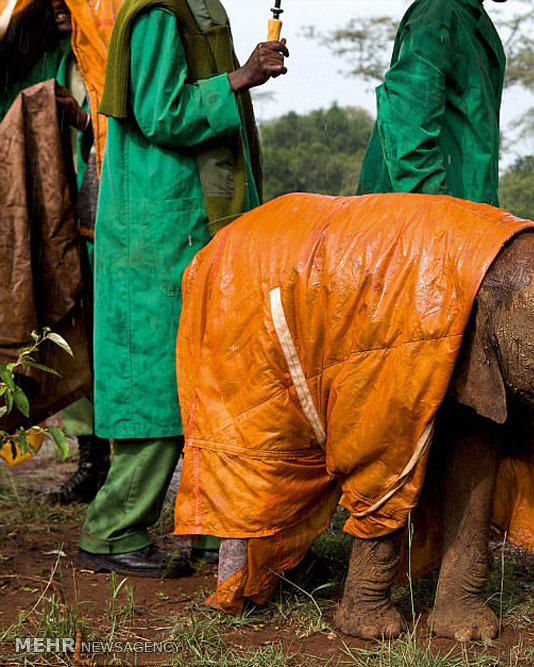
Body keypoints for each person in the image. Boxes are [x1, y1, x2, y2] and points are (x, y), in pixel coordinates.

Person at [77, 0, 287, 578]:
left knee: (210, 379)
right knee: (157, 383)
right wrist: (242, 77)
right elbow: (160, 111)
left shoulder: (197, 5)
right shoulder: (158, 11)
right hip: (158, 227)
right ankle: (113, 529)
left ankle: (210, 529)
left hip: (190, 223)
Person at [1, 0, 110, 505]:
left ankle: (117, 458)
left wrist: (80, 116)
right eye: (55, 1)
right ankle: (91, 460)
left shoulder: (107, 50)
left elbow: (121, 125)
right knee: (64, 325)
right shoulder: (39, 57)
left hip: (104, 212)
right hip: (51, 219)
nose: (65, 9)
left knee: (103, 327)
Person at [356, 0, 507, 205]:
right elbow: (408, 136)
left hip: (469, 215)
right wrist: (445, 216)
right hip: (417, 219)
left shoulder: (473, 19)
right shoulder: (438, 12)